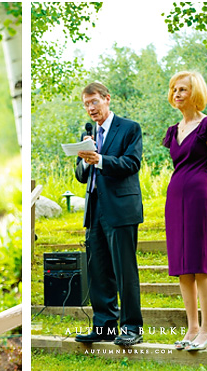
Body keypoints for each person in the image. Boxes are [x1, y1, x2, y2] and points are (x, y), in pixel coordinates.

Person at [74, 82, 144, 346]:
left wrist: (100, 160)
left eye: (94, 102)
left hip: (121, 209)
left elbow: (131, 163)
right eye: (86, 104)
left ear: (107, 99)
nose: (90, 108)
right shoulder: (86, 135)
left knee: (124, 271)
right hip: (94, 210)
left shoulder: (129, 128)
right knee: (98, 271)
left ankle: (131, 327)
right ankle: (103, 327)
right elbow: (81, 176)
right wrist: (84, 157)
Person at [163, 71, 207, 351]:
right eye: (175, 89)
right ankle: (192, 329)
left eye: (183, 89)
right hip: (175, 199)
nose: (177, 93)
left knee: (200, 266)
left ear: (195, 92)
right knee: (182, 269)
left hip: (201, 198)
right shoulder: (174, 130)